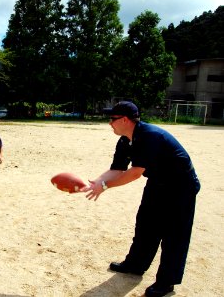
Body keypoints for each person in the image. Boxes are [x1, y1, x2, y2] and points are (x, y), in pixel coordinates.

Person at [83, 101, 200, 297]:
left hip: (181, 186)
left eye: (112, 119)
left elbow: (135, 173)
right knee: (145, 225)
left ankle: (166, 283)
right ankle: (135, 265)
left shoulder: (149, 136)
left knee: (174, 236)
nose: (109, 123)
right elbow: (117, 169)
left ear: (125, 120)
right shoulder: (124, 140)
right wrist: (96, 182)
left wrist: (104, 187)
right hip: (157, 182)